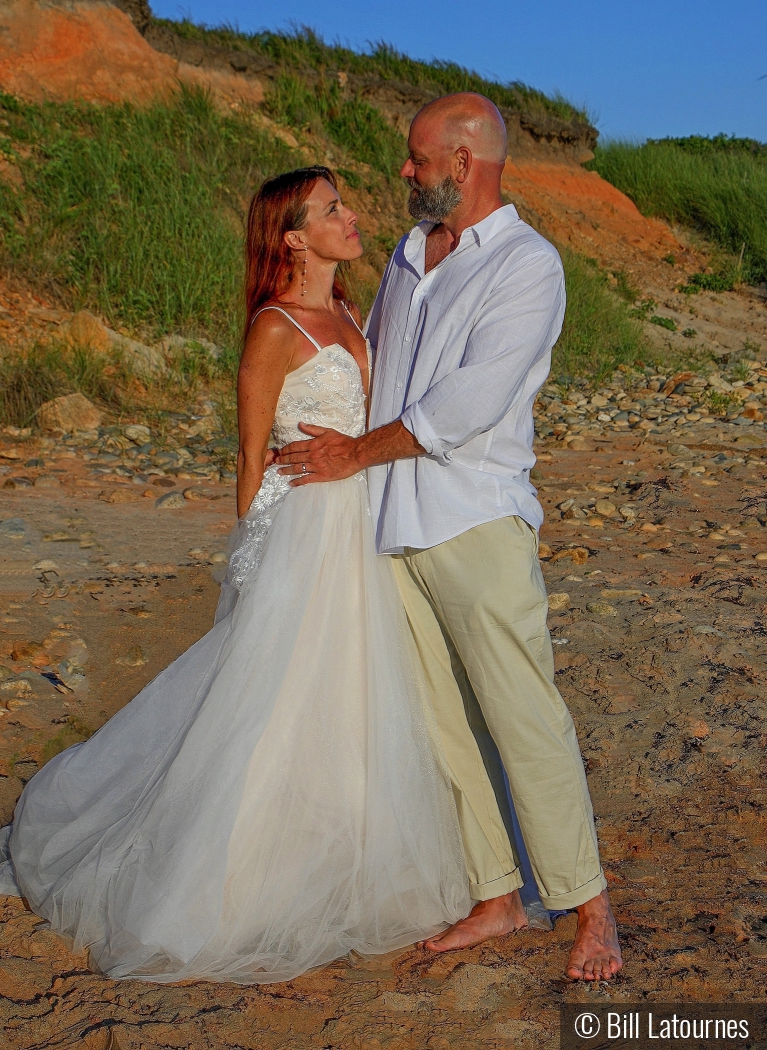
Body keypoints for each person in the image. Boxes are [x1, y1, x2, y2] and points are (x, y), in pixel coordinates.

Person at [0, 166, 472, 985]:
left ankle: (341, 842)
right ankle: (221, 871)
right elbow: (248, 455)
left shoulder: (350, 310)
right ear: (293, 238)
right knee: (274, 694)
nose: (352, 215)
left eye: (344, 202)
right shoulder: (273, 328)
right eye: (331, 208)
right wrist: (253, 561)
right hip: (305, 526)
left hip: (360, 521)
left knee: (354, 690)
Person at [275, 95, 623, 982]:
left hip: (475, 520)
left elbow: (467, 404)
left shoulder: (527, 265)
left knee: (524, 717)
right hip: (390, 523)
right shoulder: (404, 253)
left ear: (464, 164)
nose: (404, 171)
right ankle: (497, 896)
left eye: (417, 158)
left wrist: (355, 450)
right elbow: (377, 363)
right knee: (445, 727)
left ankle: (590, 908)